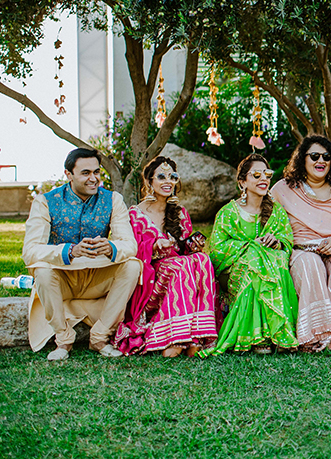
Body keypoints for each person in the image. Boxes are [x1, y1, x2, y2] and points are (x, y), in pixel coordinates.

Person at [22, 148, 140, 360]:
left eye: (97, 172)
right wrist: (70, 250)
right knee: (42, 271)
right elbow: (30, 250)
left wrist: (111, 248)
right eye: (86, 173)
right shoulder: (46, 202)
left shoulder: (113, 200)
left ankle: (100, 337)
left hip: (97, 279)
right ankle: (63, 340)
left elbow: (130, 245)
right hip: (62, 280)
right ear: (68, 174)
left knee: (132, 265)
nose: (93, 179)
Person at [271, 135, 331, 351]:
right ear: (302, 159)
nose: (321, 161)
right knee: (310, 264)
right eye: (314, 156)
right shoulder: (283, 190)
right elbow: (270, 223)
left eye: (326, 157)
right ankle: (316, 334)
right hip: (301, 250)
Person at [113, 157, 218, 356]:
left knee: (202, 259)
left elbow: (183, 249)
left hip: (178, 268)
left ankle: (198, 334)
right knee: (180, 266)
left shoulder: (180, 213)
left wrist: (192, 246)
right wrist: (153, 246)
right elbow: (130, 249)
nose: (168, 181)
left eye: (172, 177)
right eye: (161, 177)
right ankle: (174, 337)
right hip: (151, 275)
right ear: (149, 181)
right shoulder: (135, 214)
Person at [205, 154, 298, 354]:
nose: (263, 179)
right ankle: (259, 336)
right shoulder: (228, 213)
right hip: (236, 272)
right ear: (242, 182)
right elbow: (217, 251)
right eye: (256, 175)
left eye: (267, 174)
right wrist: (250, 247)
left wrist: (277, 243)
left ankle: (277, 332)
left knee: (273, 258)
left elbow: (287, 242)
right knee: (255, 258)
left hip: (270, 267)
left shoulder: (276, 212)